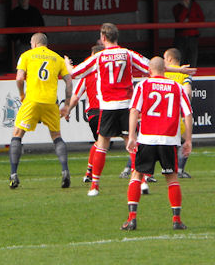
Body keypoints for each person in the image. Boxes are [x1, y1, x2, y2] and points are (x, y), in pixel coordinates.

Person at [69, 23, 194, 197]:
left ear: (103, 38)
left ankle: (94, 186)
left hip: (108, 106)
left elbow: (76, 72)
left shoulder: (99, 56)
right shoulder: (128, 54)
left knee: (102, 145)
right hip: (127, 105)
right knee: (132, 145)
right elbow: (152, 66)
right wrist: (177, 70)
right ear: (117, 37)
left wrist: (67, 65)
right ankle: (142, 182)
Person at [121, 57, 193, 231]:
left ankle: (132, 219)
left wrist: (131, 136)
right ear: (165, 70)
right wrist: (188, 139)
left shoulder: (143, 86)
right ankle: (176, 220)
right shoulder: (176, 87)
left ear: (149, 70)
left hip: (147, 139)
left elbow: (133, 111)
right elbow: (188, 114)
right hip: (169, 139)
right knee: (172, 179)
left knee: (137, 175)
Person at [9, 33, 72, 189]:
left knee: (17, 134)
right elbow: (69, 82)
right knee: (57, 136)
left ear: (35, 43)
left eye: (31, 43)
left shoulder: (26, 55)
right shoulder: (57, 58)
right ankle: (65, 171)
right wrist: (67, 104)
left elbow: (19, 78)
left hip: (32, 100)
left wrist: (22, 94)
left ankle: (13, 174)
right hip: (51, 102)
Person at [67, 45, 102, 183]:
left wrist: (68, 111)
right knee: (129, 139)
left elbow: (75, 97)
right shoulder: (112, 73)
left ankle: (90, 173)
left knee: (99, 143)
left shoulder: (87, 74)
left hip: (94, 113)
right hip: (111, 111)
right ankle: (142, 176)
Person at [163, 48, 193, 178]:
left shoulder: (162, 73)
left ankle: (140, 172)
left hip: (159, 116)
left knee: (147, 143)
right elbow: (188, 92)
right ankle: (179, 169)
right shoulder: (183, 74)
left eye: (164, 58)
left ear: (169, 59)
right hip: (175, 115)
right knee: (186, 139)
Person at [7, 0, 45, 70]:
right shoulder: (14, 13)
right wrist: (15, 39)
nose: (23, 0)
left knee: (36, 63)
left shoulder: (35, 11)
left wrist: (40, 40)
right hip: (21, 43)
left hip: (35, 43)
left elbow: (41, 25)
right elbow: (10, 27)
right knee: (22, 64)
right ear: (18, 0)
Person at [172, 0, 204, 67]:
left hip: (193, 37)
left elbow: (201, 19)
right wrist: (185, 9)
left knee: (192, 58)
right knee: (180, 58)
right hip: (180, 37)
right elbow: (180, 19)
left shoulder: (196, 7)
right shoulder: (177, 7)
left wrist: (189, 20)